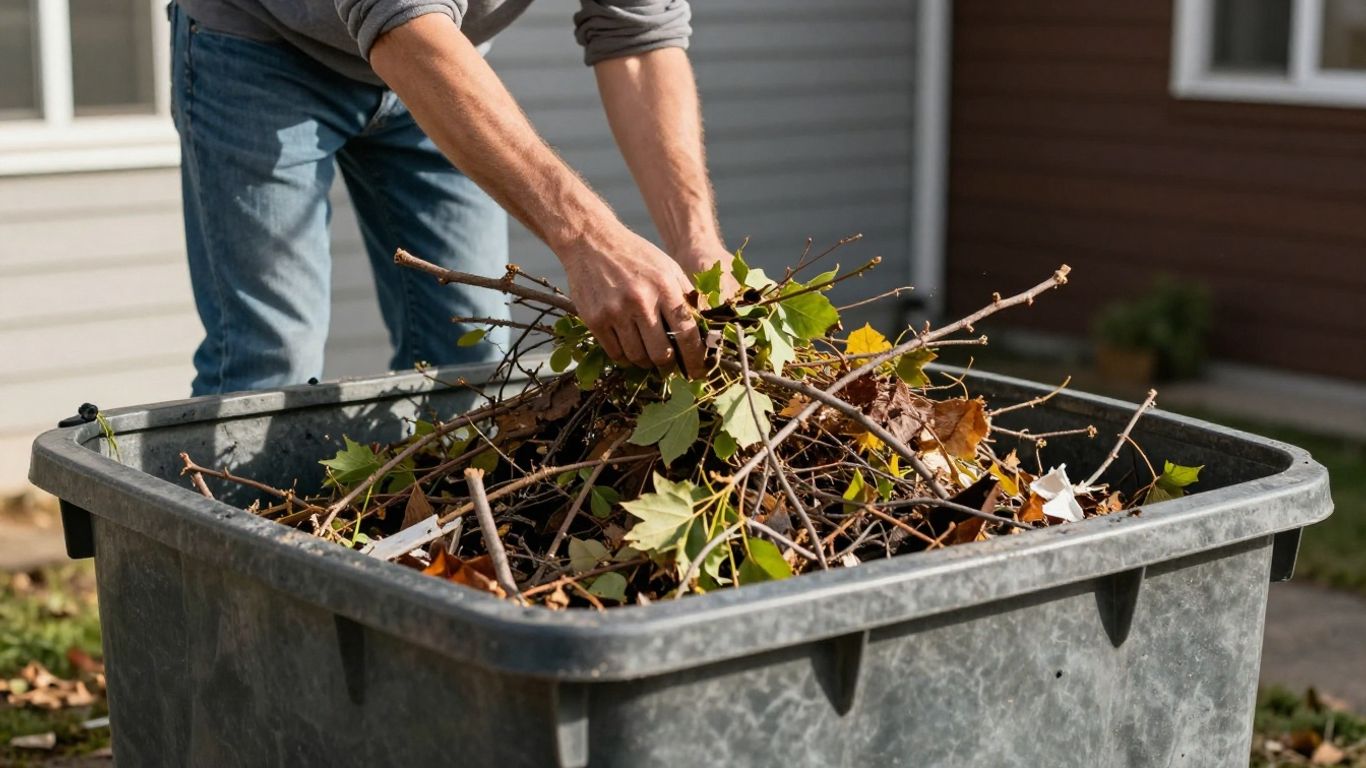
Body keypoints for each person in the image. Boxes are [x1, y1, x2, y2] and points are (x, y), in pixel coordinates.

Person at [170, 0, 731, 395]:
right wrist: (589, 238)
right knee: (270, 362)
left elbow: (638, 38)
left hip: (443, 46)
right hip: (258, 43)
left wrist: (697, 243)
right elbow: (399, 20)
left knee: (470, 356)